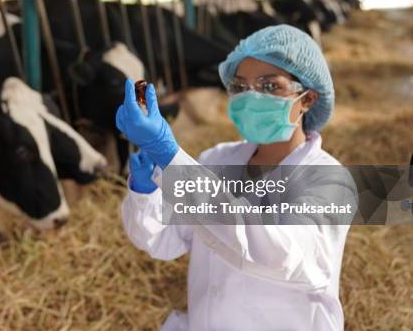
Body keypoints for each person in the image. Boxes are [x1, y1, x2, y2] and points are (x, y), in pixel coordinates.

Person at [116, 25, 355, 330]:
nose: (250, 98)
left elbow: (277, 254)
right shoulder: (216, 160)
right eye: (241, 87)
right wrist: (145, 191)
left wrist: (171, 158)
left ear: (307, 99)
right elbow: (164, 242)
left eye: (269, 86)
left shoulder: (330, 181)